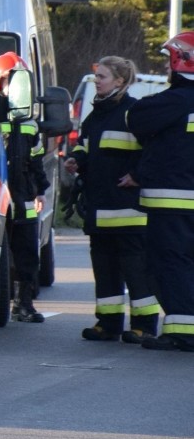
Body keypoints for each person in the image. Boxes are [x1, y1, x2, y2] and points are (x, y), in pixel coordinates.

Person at [64, 57, 159, 343]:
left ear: (119, 81)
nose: (97, 82)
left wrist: (138, 176)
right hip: (99, 209)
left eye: (102, 77)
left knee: (137, 272)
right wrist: (76, 159)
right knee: (104, 269)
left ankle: (144, 326)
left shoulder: (134, 113)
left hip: (129, 212)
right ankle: (108, 324)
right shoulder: (95, 116)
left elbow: (155, 151)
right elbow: (85, 144)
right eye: (96, 77)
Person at [126, 31, 194, 352]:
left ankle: (181, 330)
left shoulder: (177, 100)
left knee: (169, 262)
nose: (166, 68)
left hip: (173, 201)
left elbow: (136, 116)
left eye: (169, 60)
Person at [0, 52, 48, 323]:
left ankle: (24, 303)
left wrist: (41, 190)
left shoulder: (28, 124)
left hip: (23, 195)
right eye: (10, 79)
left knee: (26, 251)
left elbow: (36, 161)